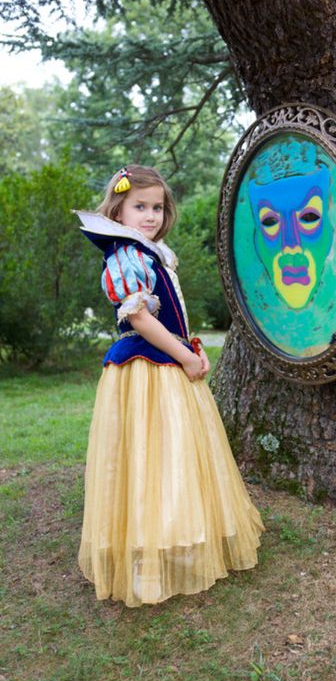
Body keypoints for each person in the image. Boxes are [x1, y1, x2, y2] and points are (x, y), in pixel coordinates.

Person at [76, 165, 264, 607]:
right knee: (145, 461)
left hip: (169, 367)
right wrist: (183, 356)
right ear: (118, 209)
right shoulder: (125, 256)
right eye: (140, 206)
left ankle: (177, 543)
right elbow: (140, 319)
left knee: (174, 458)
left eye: (157, 207)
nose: (151, 215)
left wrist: (189, 351)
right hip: (144, 373)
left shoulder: (153, 252)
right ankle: (142, 561)